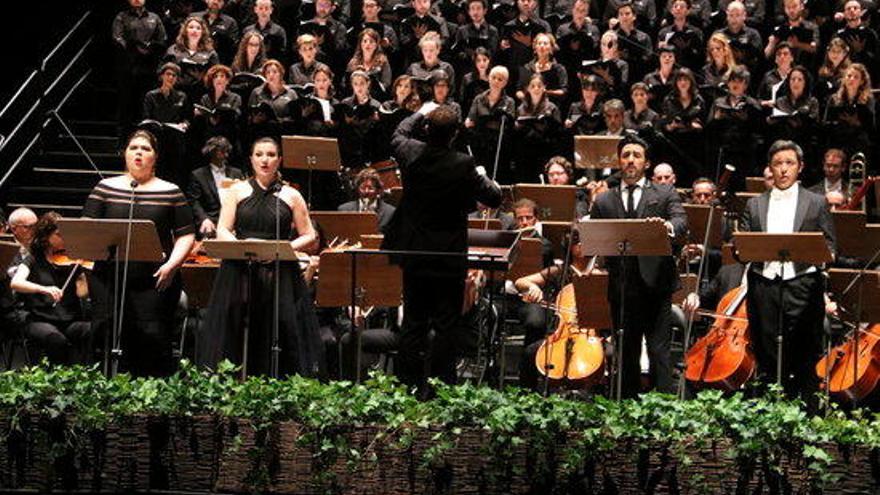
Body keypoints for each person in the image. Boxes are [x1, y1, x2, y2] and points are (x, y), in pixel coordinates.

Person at [382, 104, 502, 394]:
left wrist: (422, 111)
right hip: (448, 256)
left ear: (426, 130)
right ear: (455, 134)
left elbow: (397, 133)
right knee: (447, 324)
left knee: (413, 321)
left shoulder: (411, 153)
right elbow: (495, 197)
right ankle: (441, 389)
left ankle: (407, 386)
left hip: (415, 253)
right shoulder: (463, 164)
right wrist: (483, 176)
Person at [198, 137, 324, 378]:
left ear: (280, 160)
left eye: (270, 155)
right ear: (251, 159)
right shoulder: (237, 190)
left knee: (279, 326)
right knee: (235, 326)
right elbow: (223, 228)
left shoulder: (291, 195)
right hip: (240, 267)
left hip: (278, 268)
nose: (265, 160)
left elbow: (309, 235)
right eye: (259, 154)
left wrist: (280, 249)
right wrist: (244, 249)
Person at [82, 130, 196, 377]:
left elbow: (186, 234)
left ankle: (149, 396)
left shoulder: (171, 191)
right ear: (125, 153)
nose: (139, 153)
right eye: (134, 147)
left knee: (152, 336)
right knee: (107, 330)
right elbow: (86, 228)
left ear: (155, 157)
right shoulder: (105, 188)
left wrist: (172, 266)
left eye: (146, 149)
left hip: (155, 278)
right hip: (109, 276)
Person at [589, 133, 687, 398]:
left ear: (646, 163)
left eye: (637, 155)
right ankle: (626, 408)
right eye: (626, 155)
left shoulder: (664, 192)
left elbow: (680, 222)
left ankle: (665, 407)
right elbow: (593, 239)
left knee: (659, 352)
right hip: (622, 287)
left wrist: (667, 227)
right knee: (626, 352)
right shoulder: (604, 200)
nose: (631, 160)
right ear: (619, 161)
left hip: (656, 285)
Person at [740, 140, 836, 405]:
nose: (783, 169)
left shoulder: (816, 202)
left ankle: (805, 413)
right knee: (766, 350)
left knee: (805, 353)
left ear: (800, 167)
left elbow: (830, 246)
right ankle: (770, 411)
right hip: (764, 285)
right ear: (770, 168)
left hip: (803, 284)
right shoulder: (755, 204)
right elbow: (743, 245)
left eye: (789, 163)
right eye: (778, 163)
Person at [9, 212, 92, 365]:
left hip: (68, 320)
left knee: (91, 331)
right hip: (38, 319)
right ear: (46, 236)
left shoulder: (72, 260)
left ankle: (81, 377)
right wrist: (44, 289)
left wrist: (85, 275)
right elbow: (16, 283)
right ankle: (57, 380)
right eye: (59, 235)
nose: (64, 239)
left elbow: (81, 293)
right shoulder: (33, 258)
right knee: (55, 339)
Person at [112, 0, 168, 135]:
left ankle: (146, 133)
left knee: (146, 101)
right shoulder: (121, 16)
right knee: (126, 102)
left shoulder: (154, 17)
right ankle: (123, 138)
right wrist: (134, 50)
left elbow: (162, 38)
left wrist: (150, 50)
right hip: (128, 66)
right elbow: (117, 38)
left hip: (149, 67)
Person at [186, 136, 246, 239]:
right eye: (222, 151)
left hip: (235, 220)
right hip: (210, 220)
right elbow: (193, 201)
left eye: (227, 151)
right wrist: (204, 219)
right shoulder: (198, 175)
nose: (226, 155)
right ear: (212, 152)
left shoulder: (237, 173)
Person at [465, 66, 516, 183]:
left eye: (500, 79)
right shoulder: (478, 99)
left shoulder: (509, 102)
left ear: (506, 83)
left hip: (499, 146)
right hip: (480, 144)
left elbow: (509, 125)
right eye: (493, 77)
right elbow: (470, 121)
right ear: (488, 78)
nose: (496, 81)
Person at [515, 74, 563, 182]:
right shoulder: (521, 108)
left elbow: (558, 134)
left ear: (544, 87)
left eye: (539, 86)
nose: (536, 89)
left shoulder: (552, 108)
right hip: (525, 153)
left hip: (545, 152)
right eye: (532, 86)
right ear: (528, 88)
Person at [164, 16, 220, 102]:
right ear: (185, 31)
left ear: (203, 32)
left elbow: (215, 75)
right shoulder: (173, 50)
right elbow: (163, 72)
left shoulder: (211, 53)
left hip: (200, 94)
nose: (194, 30)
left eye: (198, 28)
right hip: (176, 93)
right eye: (191, 27)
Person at [195, 64, 242, 144]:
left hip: (228, 137)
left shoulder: (235, 97)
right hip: (209, 138)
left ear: (227, 80)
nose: (218, 79)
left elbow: (236, 116)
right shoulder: (205, 98)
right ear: (212, 81)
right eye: (215, 76)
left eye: (222, 76)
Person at [346, 28, 393, 100]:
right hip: (356, 97)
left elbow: (386, 83)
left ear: (376, 45)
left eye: (371, 41)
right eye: (364, 41)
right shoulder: (353, 62)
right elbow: (347, 83)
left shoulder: (383, 61)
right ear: (361, 44)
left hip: (377, 98)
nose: (368, 44)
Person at [657, 0, 704, 71]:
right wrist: (660, 48)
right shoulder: (663, 32)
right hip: (670, 71)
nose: (678, 9)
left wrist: (687, 49)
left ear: (688, 11)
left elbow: (701, 56)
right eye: (675, 6)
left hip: (690, 71)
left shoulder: (696, 32)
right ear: (672, 10)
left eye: (682, 7)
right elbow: (656, 55)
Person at [192, 0, 240, 64]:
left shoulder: (230, 22)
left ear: (223, 3)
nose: (215, 2)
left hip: (219, 61)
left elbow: (233, 48)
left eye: (219, 0)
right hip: (193, 58)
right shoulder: (194, 17)